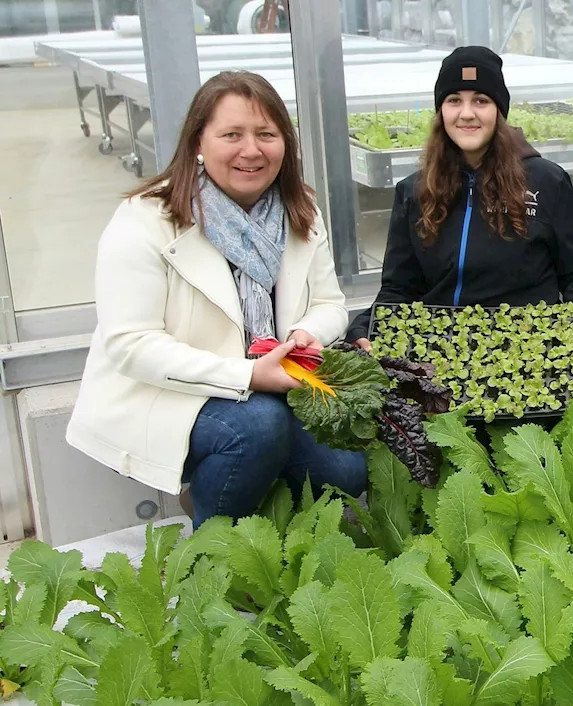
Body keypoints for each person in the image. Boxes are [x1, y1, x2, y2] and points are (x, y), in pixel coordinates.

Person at [65, 71, 366, 528]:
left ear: (285, 143)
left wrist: (306, 335)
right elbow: (131, 345)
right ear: (198, 143)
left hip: (273, 382)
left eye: (267, 134)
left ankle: (263, 509)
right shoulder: (146, 219)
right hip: (166, 395)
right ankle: (216, 543)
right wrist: (247, 374)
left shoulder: (299, 209)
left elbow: (329, 303)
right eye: (232, 135)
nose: (252, 150)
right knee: (257, 427)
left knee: (347, 470)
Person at [348, 46, 573, 376]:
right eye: (454, 100)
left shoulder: (545, 181)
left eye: (481, 100)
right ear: (441, 111)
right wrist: (368, 327)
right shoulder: (415, 191)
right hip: (439, 357)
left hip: (527, 358)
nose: (467, 113)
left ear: (499, 111)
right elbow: (399, 288)